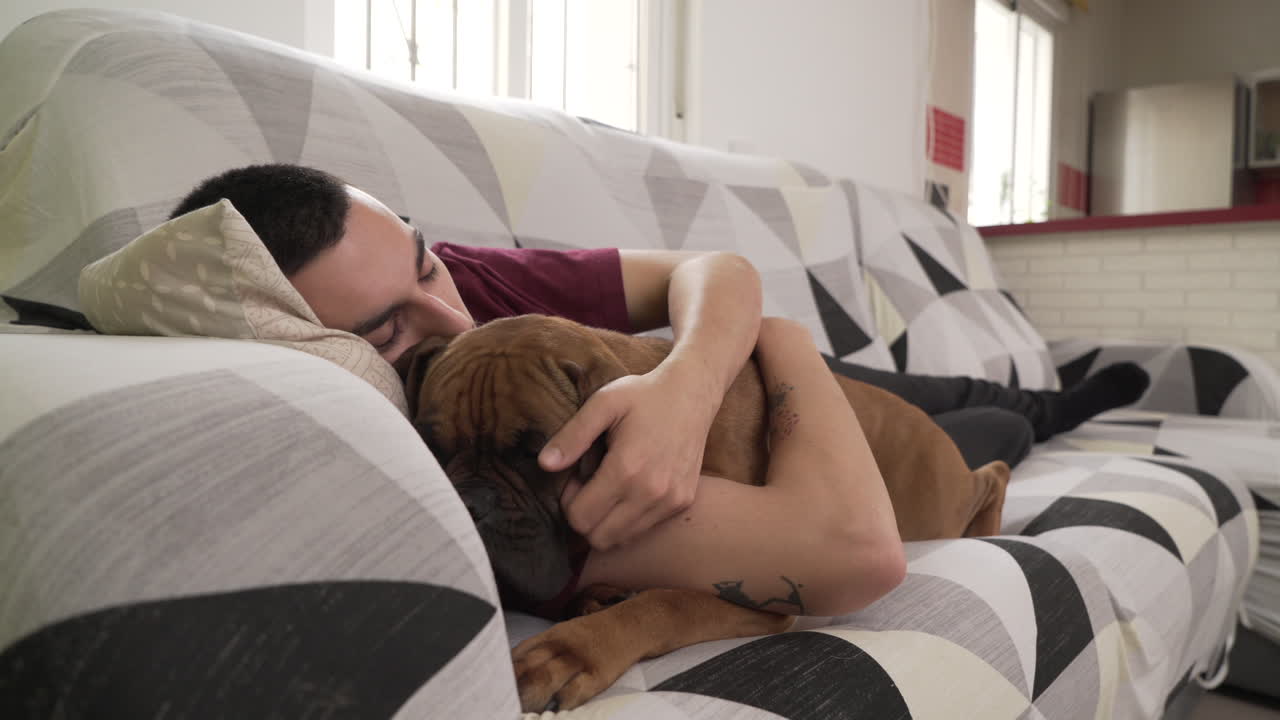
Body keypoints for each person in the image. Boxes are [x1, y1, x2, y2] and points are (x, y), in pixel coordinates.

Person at [169, 164, 1148, 616]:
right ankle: (1047, 419)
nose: (451, 320)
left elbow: (712, 269)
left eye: (426, 267)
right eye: (389, 333)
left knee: (943, 387)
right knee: (986, 434)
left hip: (737, 375)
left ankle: (1050, 398)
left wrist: (686, 384)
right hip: (794, 409)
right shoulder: (422, 427)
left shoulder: (481, 287)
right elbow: (853, 552)